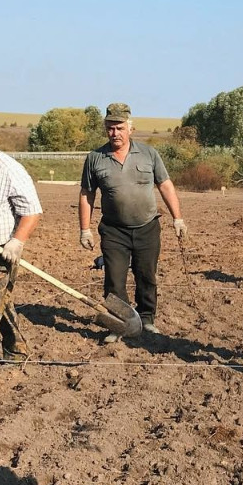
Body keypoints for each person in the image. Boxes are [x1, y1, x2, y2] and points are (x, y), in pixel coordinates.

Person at [79, 103, 188, 342]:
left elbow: (166, 186)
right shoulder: (95, 158)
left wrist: (177, 218)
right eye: (110, 128)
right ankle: (119, 324)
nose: (114, 133)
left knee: (146, 275)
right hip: (113, 231)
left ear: (131, 128)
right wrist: (85, 229)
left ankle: (147, 319)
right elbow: (87, 194)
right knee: (114, 279)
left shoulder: (149, 154)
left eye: (119, 128)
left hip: (147, 227)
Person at [0, 118, 43, 361]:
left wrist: (17, 241)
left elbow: (32, 211)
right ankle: (16, 353)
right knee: (0, 302)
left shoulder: (10, 170)